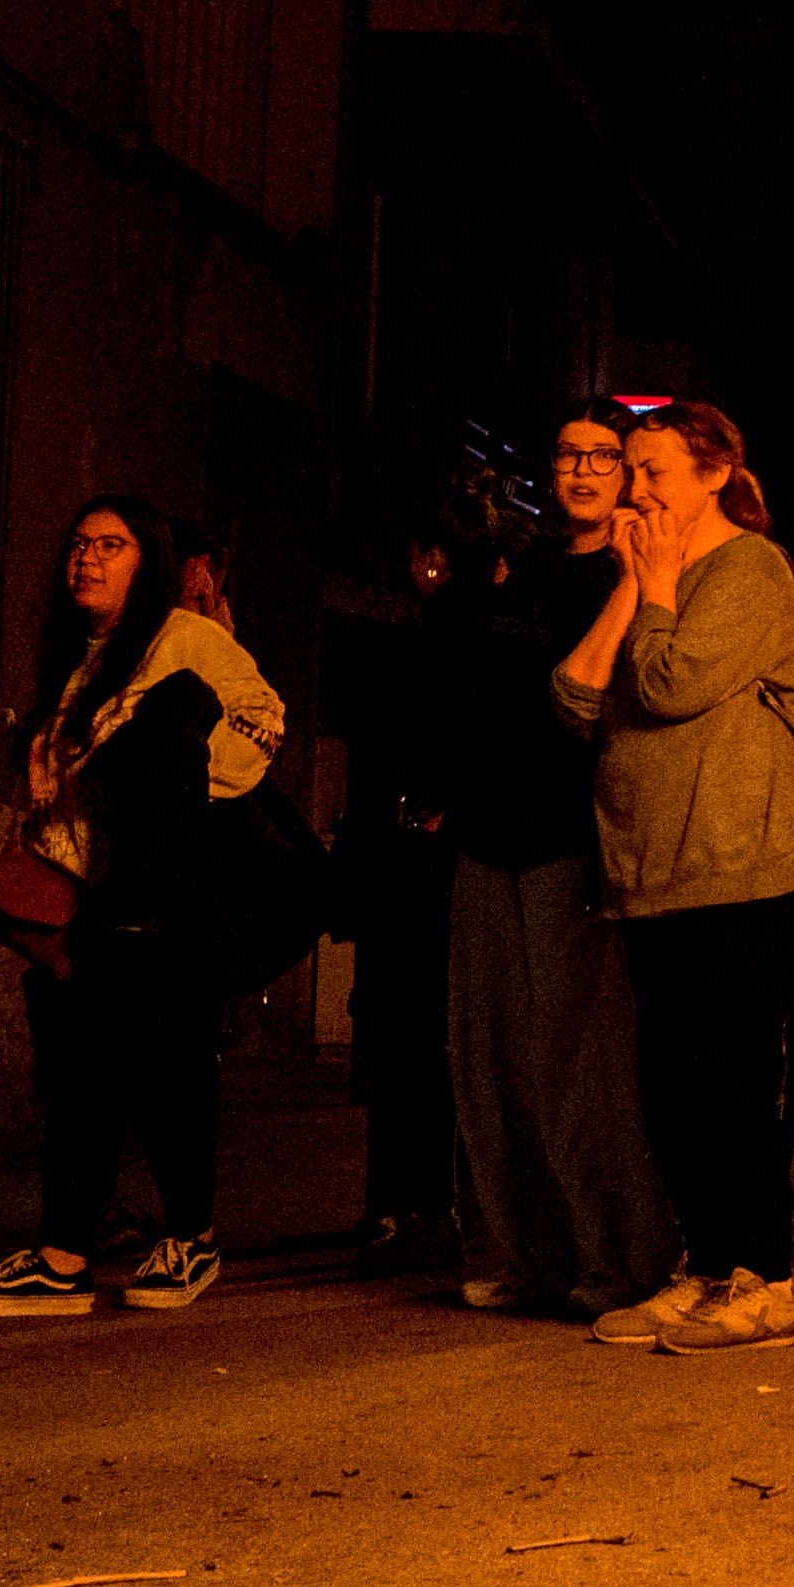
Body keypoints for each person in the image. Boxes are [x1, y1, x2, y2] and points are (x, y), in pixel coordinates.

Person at [0, 494, 287, 1319]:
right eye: (78, 544)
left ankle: (191, 1237)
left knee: (167, 1066)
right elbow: (47, 780)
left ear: (151, 561)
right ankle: (63, 1254)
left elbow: (261, 722)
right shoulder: (77, 652)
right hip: (86, 901)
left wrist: (168, 786)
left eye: (111, 545)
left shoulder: (184, 639)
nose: (88, 559)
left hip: (165, 898)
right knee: (80, 1073)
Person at [552, 402, 794, 1356]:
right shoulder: (651, 572)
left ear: (713, 473)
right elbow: (577, 696)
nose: (637, 488)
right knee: (669, 1083)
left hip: (734, 870)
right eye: (632, 469)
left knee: (731, 1082)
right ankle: (706, 1268)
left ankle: (767, 1279)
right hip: (646, 869)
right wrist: (637, 583)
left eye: (656, 470)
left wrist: (656, 582)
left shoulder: (751, 568)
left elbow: (667, 687)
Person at [446, 413, 676, 1319]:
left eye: (602, 458)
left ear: (628, 472)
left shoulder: (641, 569)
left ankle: (616, 1255)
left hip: (573, 839)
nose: (582, 471)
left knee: (582, 1063)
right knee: (488, 1059)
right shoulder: (527, 564)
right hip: (486, 834)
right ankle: (522, 1251)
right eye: (568, 455)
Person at [335, 496, 499, 1278]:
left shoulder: (426, 641)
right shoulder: (484, 635)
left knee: (407, 1041)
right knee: (440, 1040)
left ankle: (405, 1202)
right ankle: (436, 1203)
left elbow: (380, 756)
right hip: (439, 864)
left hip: (413, 866)